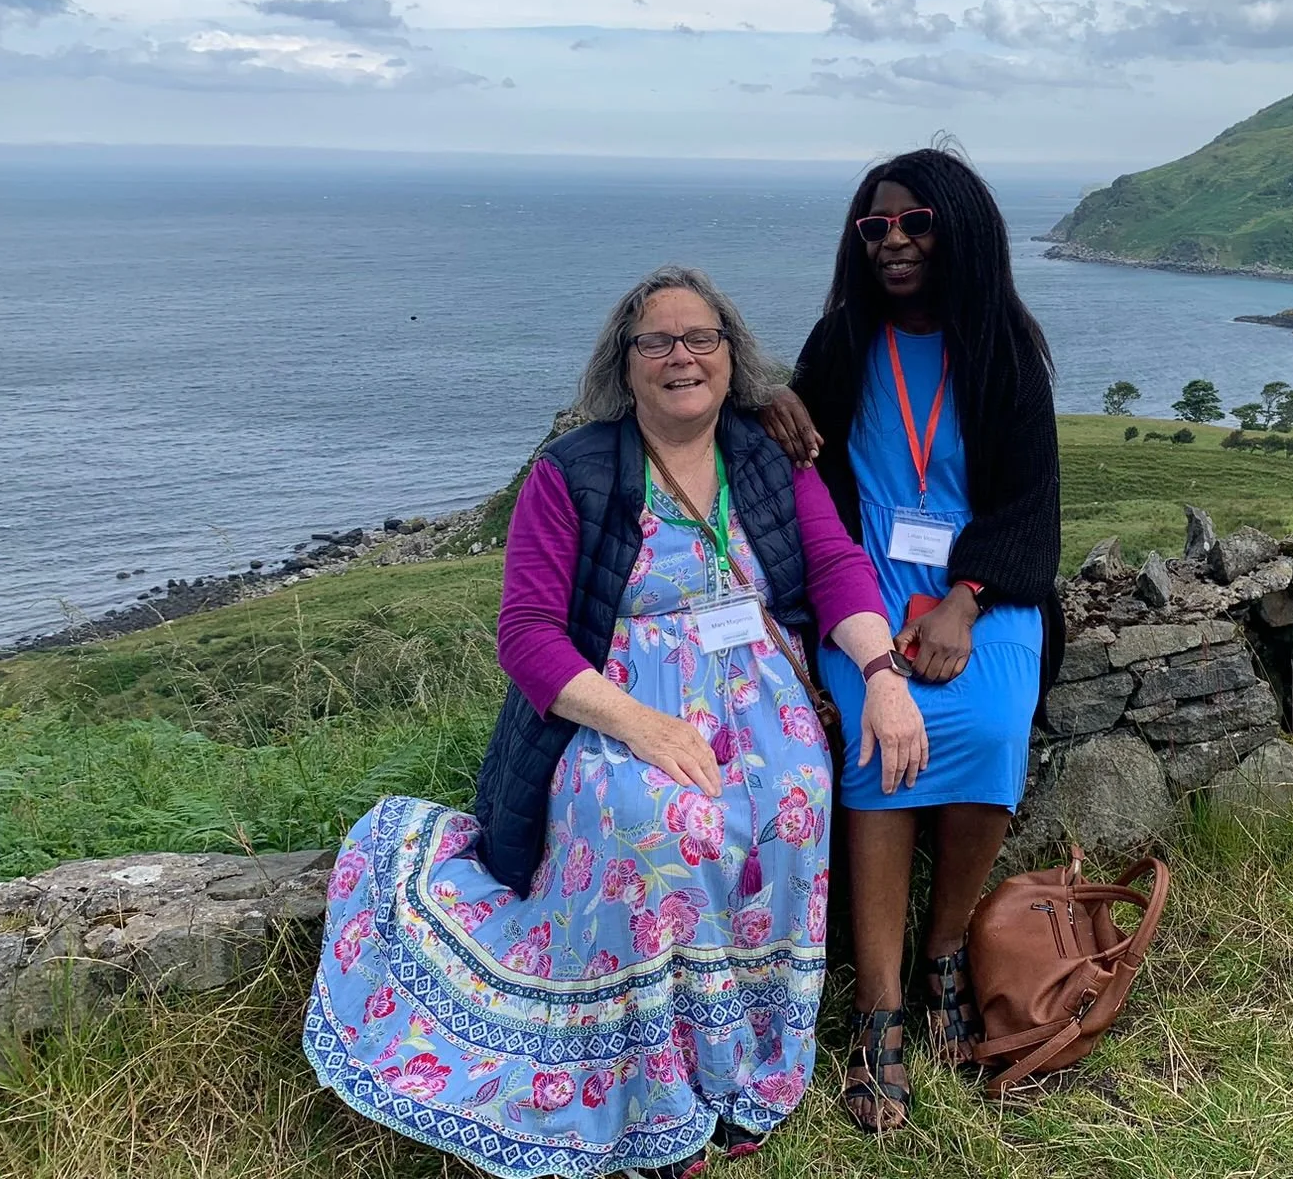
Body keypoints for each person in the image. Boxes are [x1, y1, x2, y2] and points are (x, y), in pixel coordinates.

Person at [305, 266, 925, 1179]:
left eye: (700, 339)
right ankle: (651, 1093)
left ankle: (745, 1068)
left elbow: (833, 565)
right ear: (624, 364)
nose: (681, 356)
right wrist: (640, 725)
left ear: (731, 354)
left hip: (762, 696)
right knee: (656, 827)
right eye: (656, 342)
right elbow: (526, 635)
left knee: (793, 802)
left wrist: (882, 675)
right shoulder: (575, 472)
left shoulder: (763, 454)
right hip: (617, 701)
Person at [762, 145, 1063, 1133]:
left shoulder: (1005, 348)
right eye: (874, 228)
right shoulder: (843, 338)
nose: (892, 242)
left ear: (957, 231)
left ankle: (944, 952)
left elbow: (1027, 504)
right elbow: (797, 449)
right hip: (868, 585)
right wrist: (771, 400)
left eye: (914, 224)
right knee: (871, 741)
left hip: (980, 587)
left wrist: (964, 602)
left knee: (983, 727)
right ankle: (879, 1008)